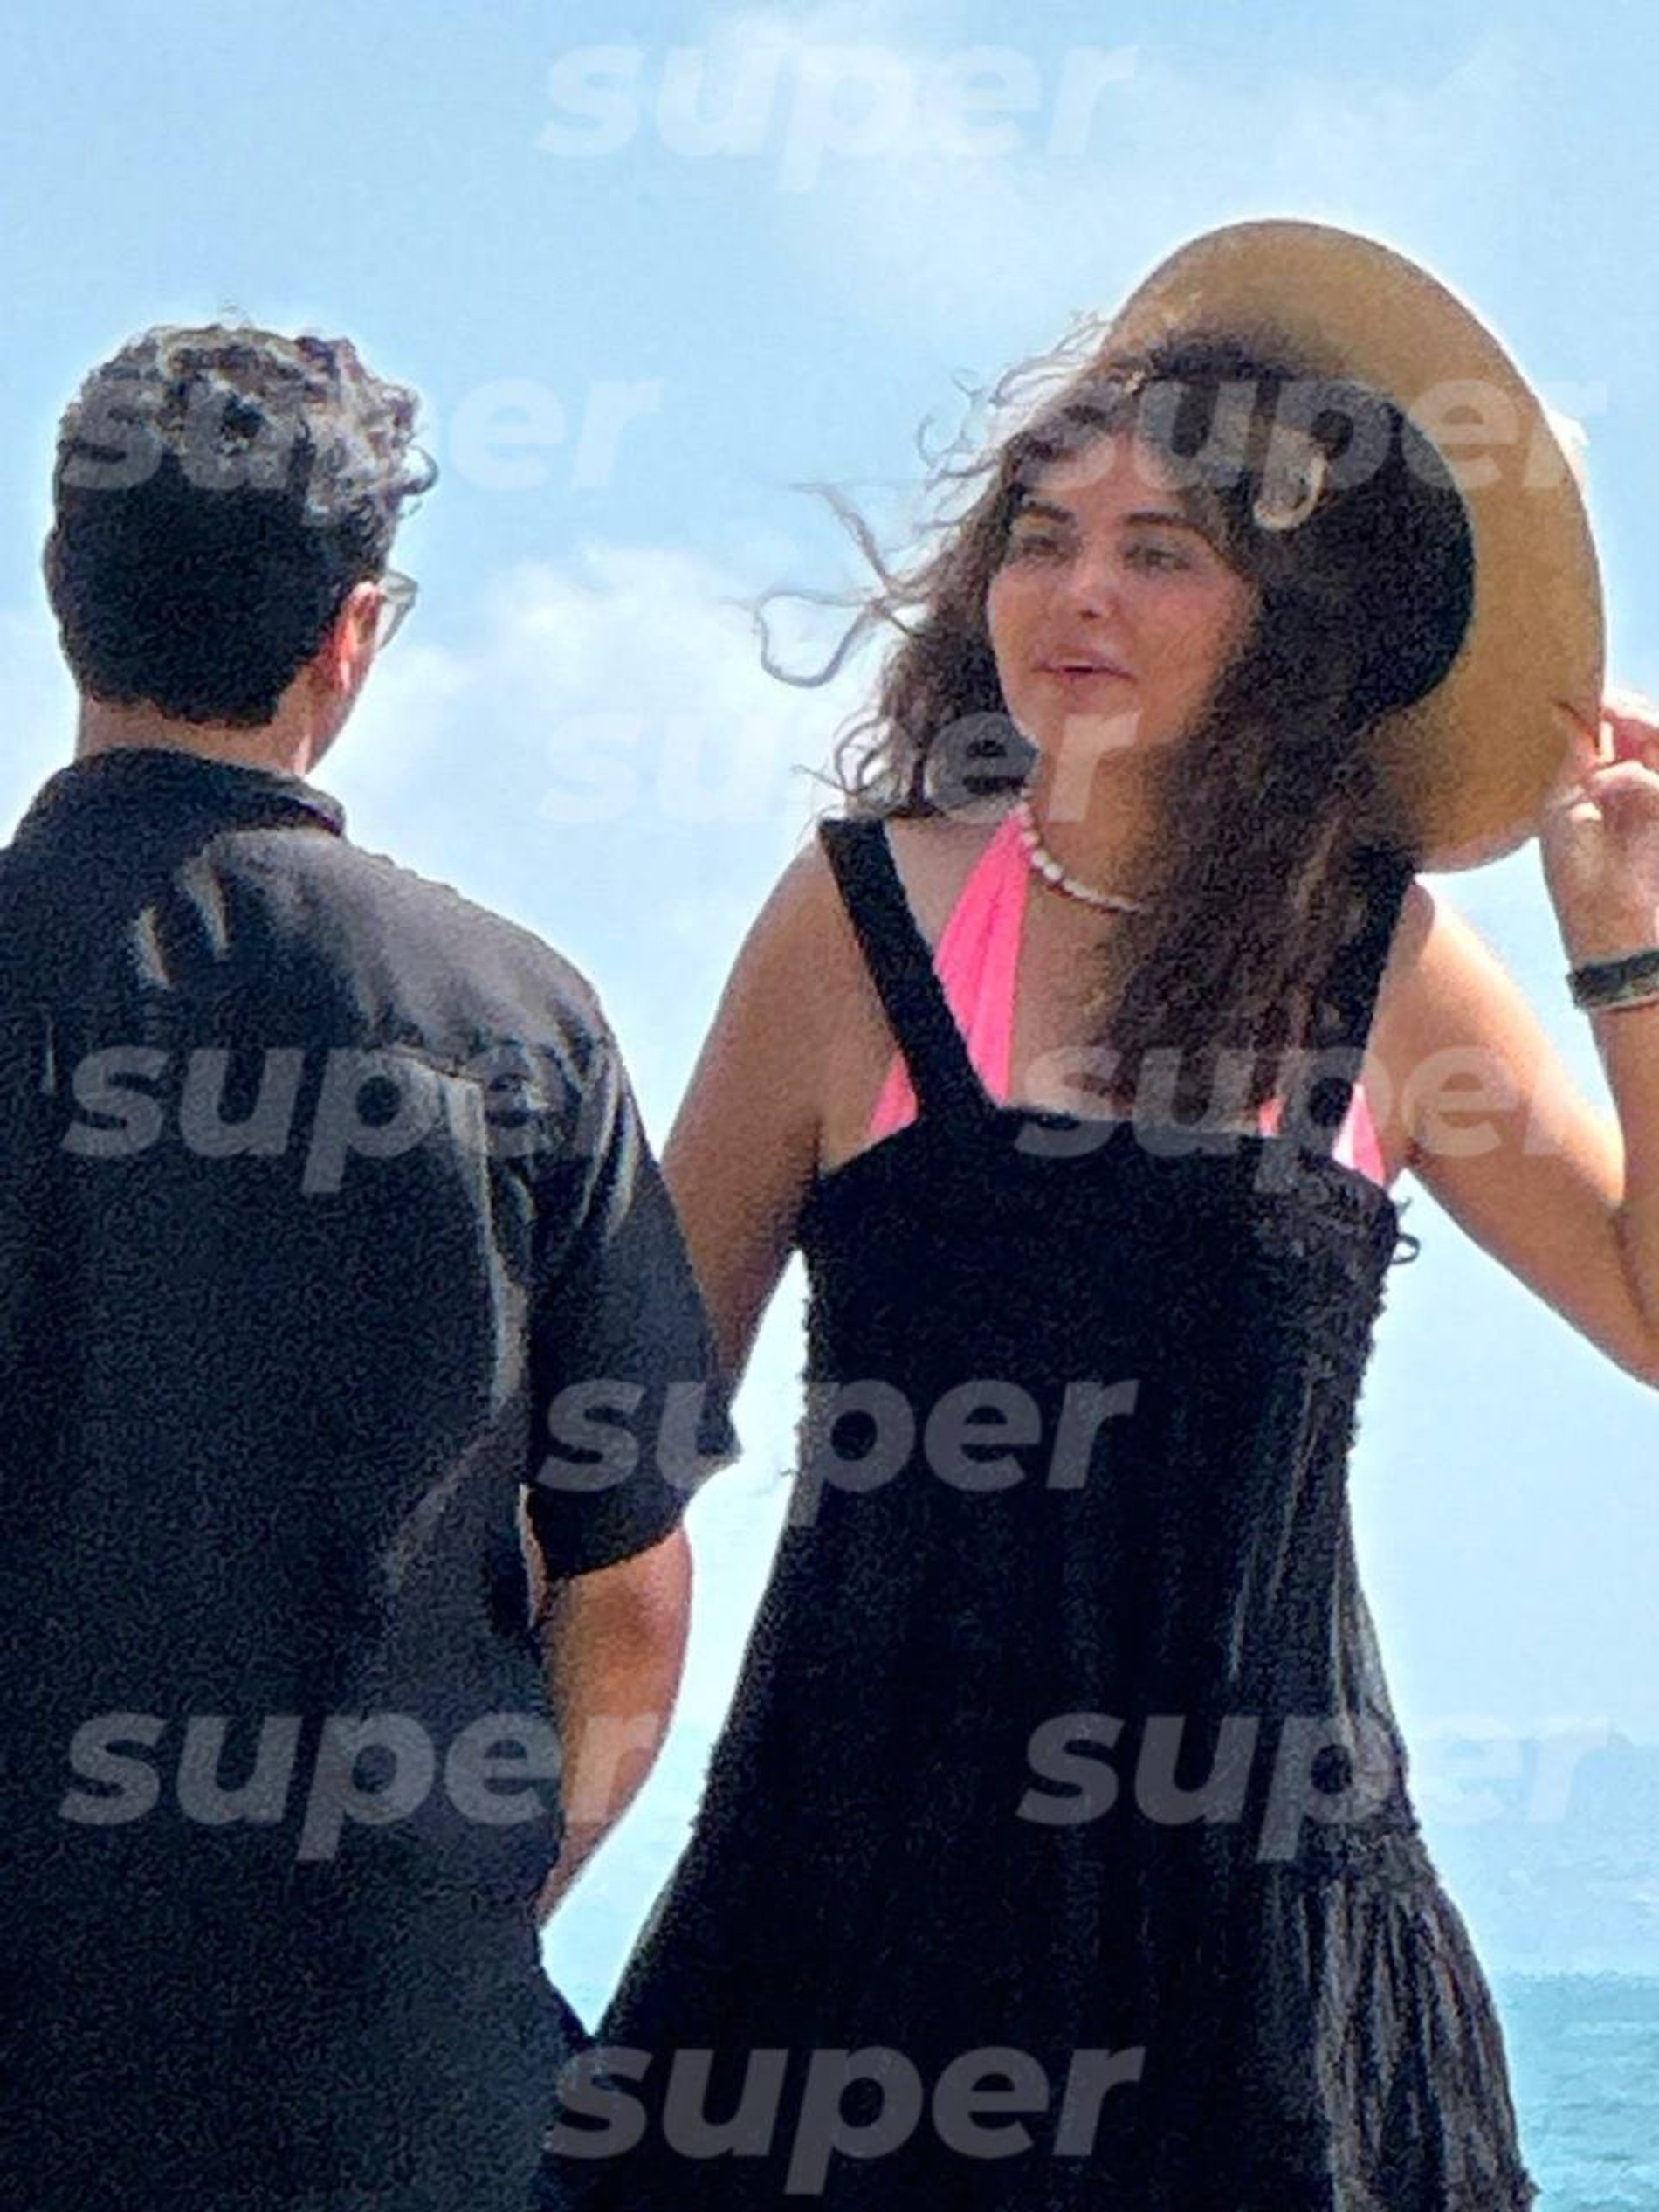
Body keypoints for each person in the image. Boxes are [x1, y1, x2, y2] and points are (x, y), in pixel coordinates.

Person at [541, 222, 1659, 2206]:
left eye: (1160, 553)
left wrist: (1624, 955)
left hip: (1262, 1943)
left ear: (1285, 621)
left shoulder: (1385, 971)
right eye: (1042, 536)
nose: (1075, 591)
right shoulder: (857, 920)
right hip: (855, 1918)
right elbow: (631, 1413)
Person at [0, 324, 736, 2211]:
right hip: (393, 2087)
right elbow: (630, 1592)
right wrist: (462, 1917)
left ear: (62, 585)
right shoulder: (519, 1015)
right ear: (351, 633)